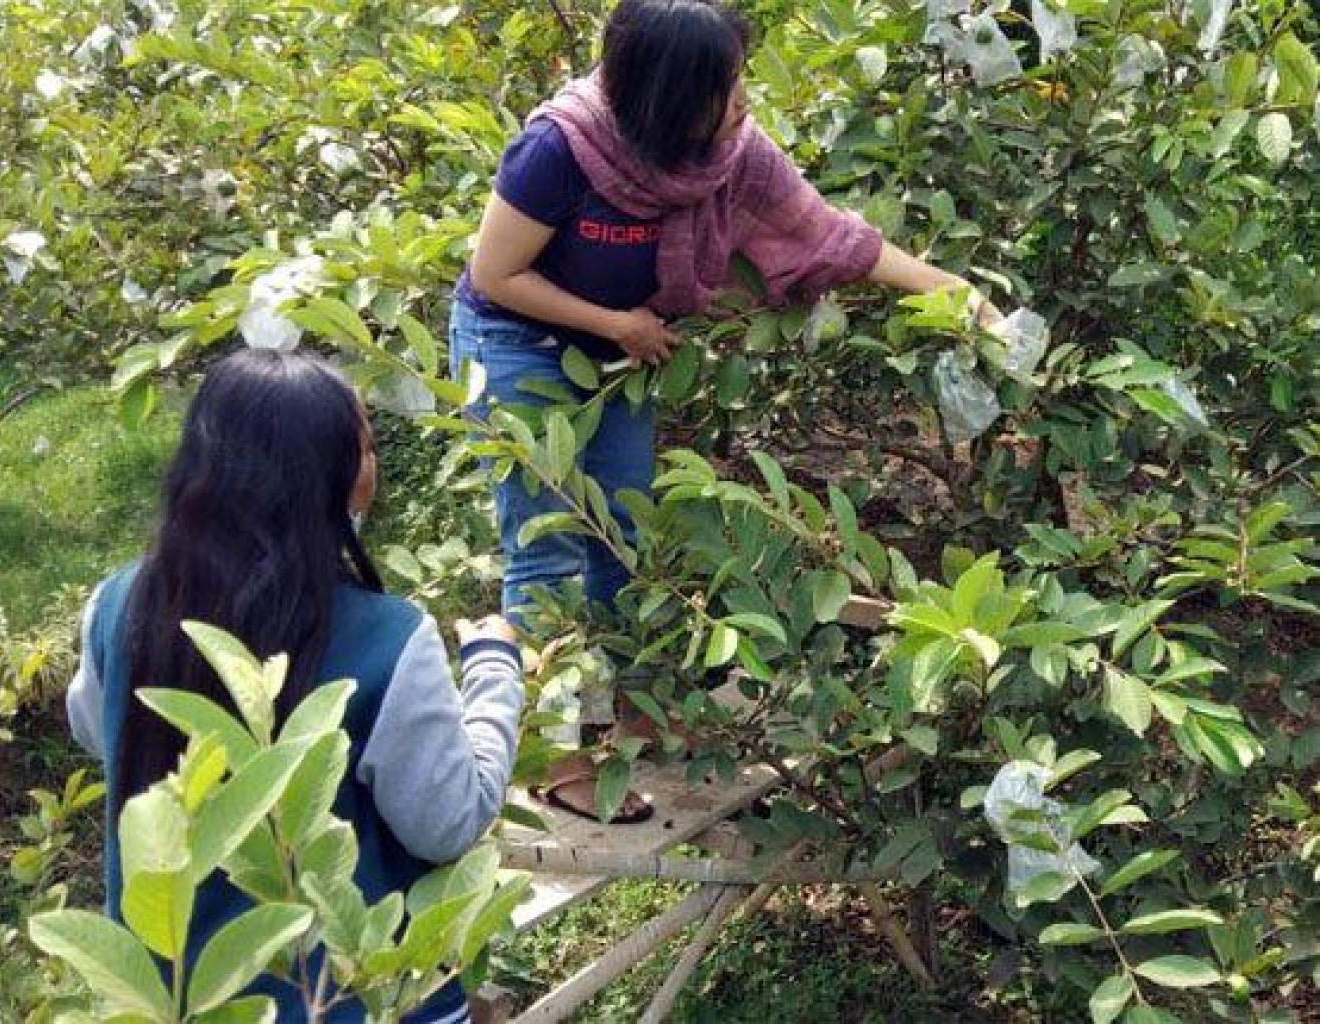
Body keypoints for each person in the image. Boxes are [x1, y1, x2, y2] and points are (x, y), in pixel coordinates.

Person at [450, 0, 1002, 820]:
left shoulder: (729, 153)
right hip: (517, 346)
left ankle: (637, 715)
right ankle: (554, 760)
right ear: (668, 96)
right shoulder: (559, 149)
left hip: (617, 360)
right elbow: (495, 277)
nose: (743, 96)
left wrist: (954, 292)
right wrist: (617, 323)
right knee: (546, 554)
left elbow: (828, 235)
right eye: (726, 84)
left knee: (626, 538)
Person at [65, 348, 524, 1024]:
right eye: (365, 447)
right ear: (337, 479)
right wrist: (494, 667)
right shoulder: (389, 641)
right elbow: (447, 822)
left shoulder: (118, 605)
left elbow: (95, 727)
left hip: (175, 1000)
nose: (373, 463)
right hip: (352, 1001)